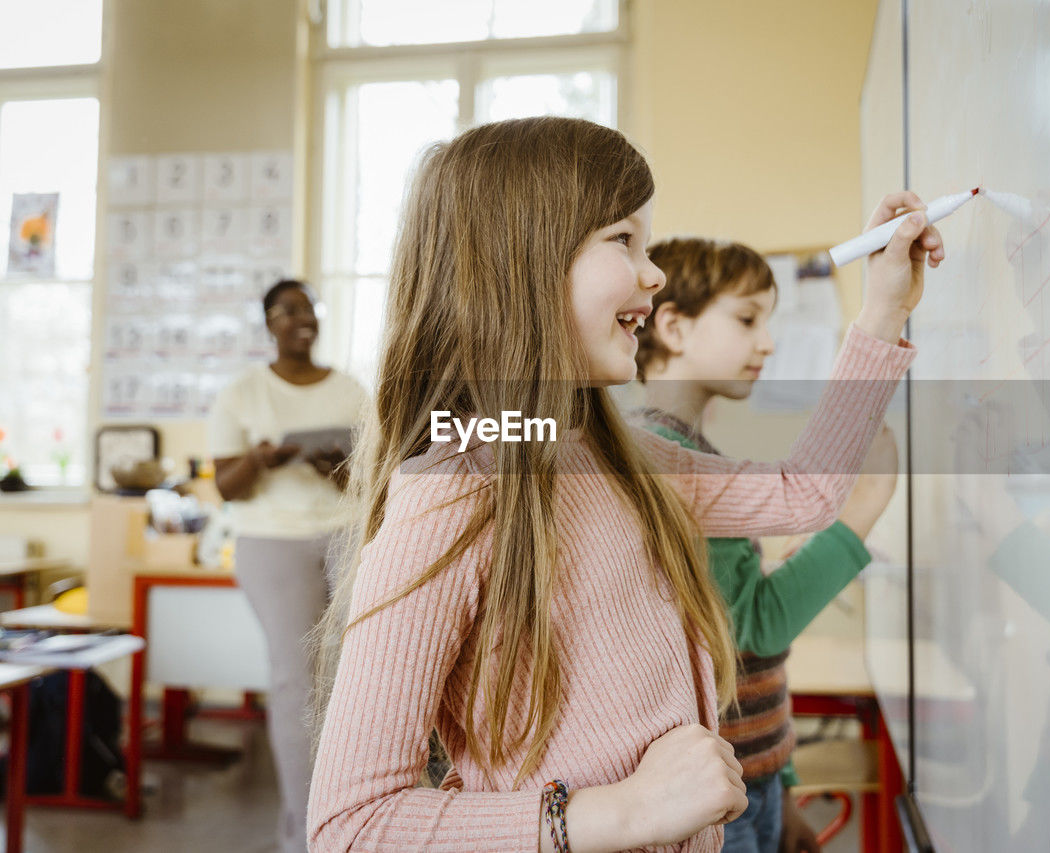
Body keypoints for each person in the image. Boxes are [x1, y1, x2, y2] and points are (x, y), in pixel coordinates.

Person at [308, 116, 944, 852]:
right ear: (527, 261)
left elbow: (802, 492)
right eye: (623, 241)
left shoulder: (622, 459)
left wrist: (885, 307)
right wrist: (629, 811)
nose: (655, 273)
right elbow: (351, 827)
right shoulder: (453, 493)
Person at [632, 238, 900, 853]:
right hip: (722, 798)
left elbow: (734, 635)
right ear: (672, 326)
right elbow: (756, 625)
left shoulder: (678, 449)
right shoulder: (671, 464)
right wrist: (862, 509)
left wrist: (777, 788)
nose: (769, 343)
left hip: (748, 781)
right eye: (747, 319)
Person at [208, 279, 368, 853]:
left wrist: (334, 466)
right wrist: (259, 457)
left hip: (345, 534)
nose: (304, 318)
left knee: (357, 681)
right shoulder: (244, 393)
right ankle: (304, 833)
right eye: (290, 310)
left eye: (311, 309)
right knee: (296, 684)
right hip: (273, 542)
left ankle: (360, 818)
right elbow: (226, 486)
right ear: (269, 322)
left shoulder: (350, 391)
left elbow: (368, 478)